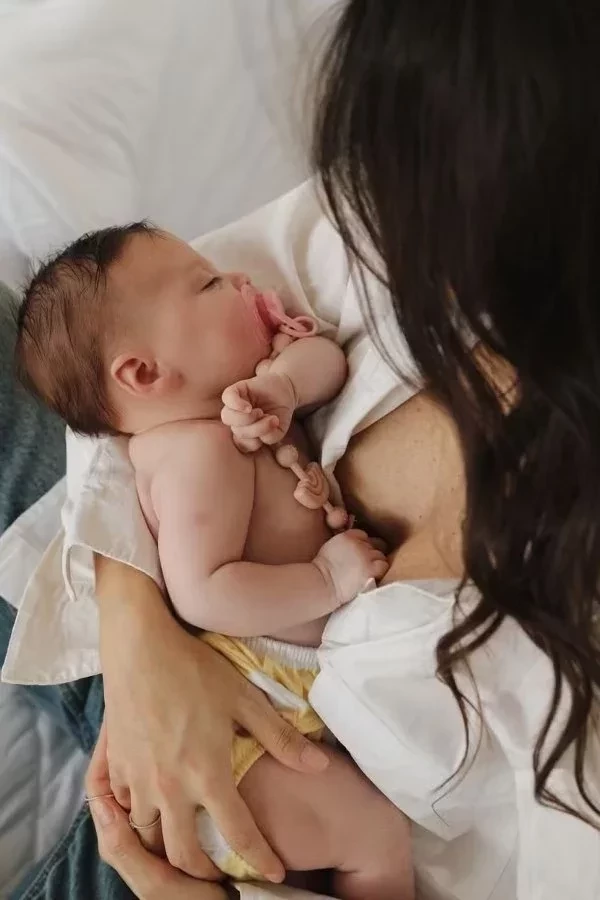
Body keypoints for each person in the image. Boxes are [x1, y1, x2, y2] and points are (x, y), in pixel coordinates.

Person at [2, 0, 600, 897]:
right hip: (127, 626)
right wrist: (135, 628)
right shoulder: (417, 197)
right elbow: (127, 379)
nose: (380, 210)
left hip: (264, 816)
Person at [15, 223, 410, 897]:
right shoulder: (193, 455)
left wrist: (285, 386)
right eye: (209, 284)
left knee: (355, 833)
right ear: (144, 373)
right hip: (236, 739)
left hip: (243, 720)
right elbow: (207, 592)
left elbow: (327, 360)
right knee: (376, 835)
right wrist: (324, 580)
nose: (241, 280)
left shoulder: (242, 393)